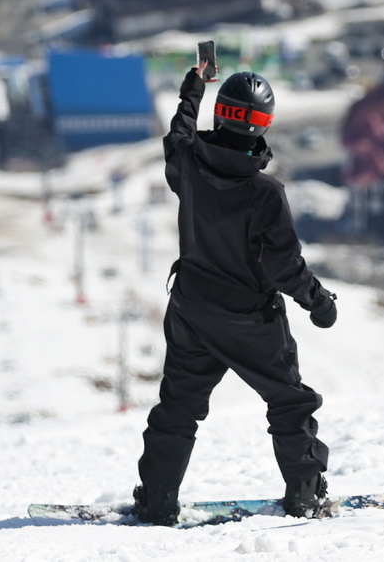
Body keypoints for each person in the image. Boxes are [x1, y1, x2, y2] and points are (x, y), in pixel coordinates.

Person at [133, 66, 339, 525]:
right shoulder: (265, 192)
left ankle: (158, 499)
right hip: (250, 320)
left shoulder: (187, 161)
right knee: (289, 402)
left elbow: (179, 131)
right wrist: (319, 303)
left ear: (221, 114)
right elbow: (284, 267)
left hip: (190, 308)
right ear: (263, 125)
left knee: (179, 406)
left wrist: (193, 89)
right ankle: (306, 496)